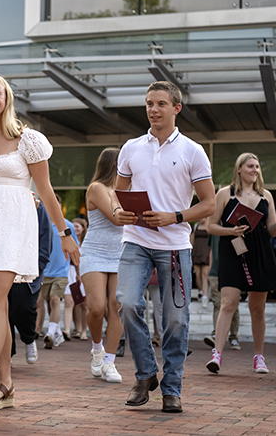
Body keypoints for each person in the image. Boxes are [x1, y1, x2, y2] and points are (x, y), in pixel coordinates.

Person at [0, 74, 80, 415]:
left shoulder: (28, 140)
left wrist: (64, 234)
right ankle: (6, 384)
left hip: (13, 225)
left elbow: (47, 191)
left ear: (7, 98)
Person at [115, 81, 216, 413]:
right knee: (128, 303)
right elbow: (119, 193)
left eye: (160, 103)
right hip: (136, 240)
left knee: (175, 320)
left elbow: (209, 204)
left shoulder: (192, 151)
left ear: (176, 108)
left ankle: (172, 388)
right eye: (148, 103)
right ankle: (146, 374)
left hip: (174, 246)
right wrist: (119, 212)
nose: (153, 109)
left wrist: (174, 216)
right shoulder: (130, 147)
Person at [205, 153, 276, 376]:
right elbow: (210, 226)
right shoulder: (225, 194)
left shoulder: (266, 196)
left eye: (257, 166)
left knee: (258, 308)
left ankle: (259, 357)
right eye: (250, 166)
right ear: (239, 169)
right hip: (232, 250)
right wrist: (231, 231)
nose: (255, 170)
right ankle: (217, 354)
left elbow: (272, 231)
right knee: (228, 302)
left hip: (260, 252)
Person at [80, 147, 126, 383]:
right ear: (114, 164)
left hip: (119, 253)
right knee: (96, 307)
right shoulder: (97, 188)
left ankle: (109, 362)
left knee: (115, 306)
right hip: (95, 252)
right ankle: (96, 348)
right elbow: (117, 218)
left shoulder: (126, 190)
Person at [8, 196, 52, 364]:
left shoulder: (37, 206)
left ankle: (28, 338)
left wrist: (39, 263)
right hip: (3, 264)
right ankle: (7, 353)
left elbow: (45, 236)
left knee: (22, 308)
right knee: (3, 310)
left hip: (28, 267)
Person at [41, 194, 78, 349]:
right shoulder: (41, 225)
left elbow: (75, 250)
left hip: (62, 272)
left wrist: (78, 272)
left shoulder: (67, 226)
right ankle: (56, 331)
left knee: (55, 299)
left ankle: (50, 332)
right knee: (50, 301)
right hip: (44, 271)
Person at [203, 234, 241, 351]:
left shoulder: (234, 226)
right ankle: (216, 333)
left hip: (232, 271)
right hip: (215, 272)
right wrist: (210, 271)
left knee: (233, 305)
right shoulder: (213, 229)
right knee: (217, 303)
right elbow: (211, 251)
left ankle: (233, 336)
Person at [69, 217, 88, 341]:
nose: (76, 229)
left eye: (78, 226)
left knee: (85, 304)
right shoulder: (69, 241)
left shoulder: (87, 242)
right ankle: (77, 328)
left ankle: (84, 331)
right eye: (74, 226)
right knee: (76, 302)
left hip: (85, 272)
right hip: (72, 272)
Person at [191, 219, 210, 309]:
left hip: (206, 252)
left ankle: (205, 298)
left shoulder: (210, 225)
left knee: (204, 275)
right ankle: (201, 291)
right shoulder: (196, 226)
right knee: (197, 275)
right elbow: (192, 240)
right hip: (197, 252)